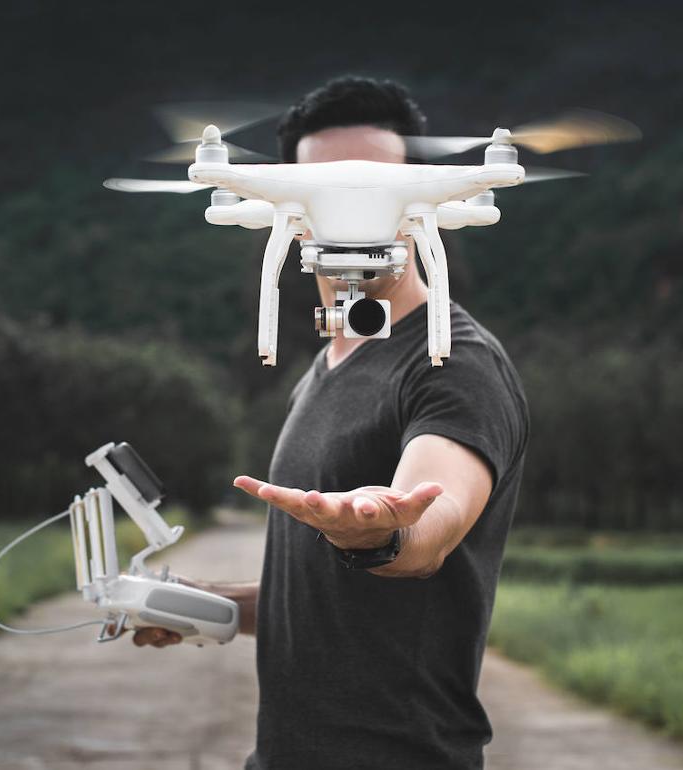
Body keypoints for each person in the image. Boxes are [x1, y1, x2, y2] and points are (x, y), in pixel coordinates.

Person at [134, 75, 530, 770]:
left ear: (422, 197)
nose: (355, 209)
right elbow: (324, 598)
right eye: (327, 187)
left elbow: (426, 530)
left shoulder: (452, 362)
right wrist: (209, 604)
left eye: (378, 183)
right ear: (290, 203)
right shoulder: (328, 366)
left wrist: (384, 530)